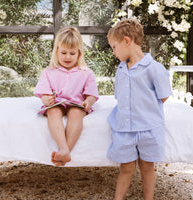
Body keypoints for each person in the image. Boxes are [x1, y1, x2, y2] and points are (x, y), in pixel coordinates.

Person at [106, 18, 172, 200]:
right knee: (126, 167)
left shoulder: (154, 69)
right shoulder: (121, 69)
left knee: (147, 167)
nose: (113, 52)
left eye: (114, 47)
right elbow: (120, 96)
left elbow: (164, 96)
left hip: (149, 129)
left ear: (127, 41)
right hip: (124, 130)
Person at [34, 27, 99, 167]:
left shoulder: (86, 73)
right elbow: (43, 93)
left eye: (72, 53)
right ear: (56, 51)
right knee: (53, 111)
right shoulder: (49, 72)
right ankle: (63, 148)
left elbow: (92, 94)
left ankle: (65, 151)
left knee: (76, 113)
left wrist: (88, 101)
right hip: (57, 103)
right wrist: (46, 100)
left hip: (76, 104)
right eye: (63, 52)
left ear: (79, 53)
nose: (67, 57)